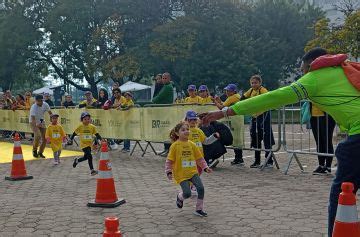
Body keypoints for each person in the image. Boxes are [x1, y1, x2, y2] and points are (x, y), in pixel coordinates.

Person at [201, 48, 360, 237]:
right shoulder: (348, 68)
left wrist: (224, 112)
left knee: (341, 194)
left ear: (310, 65)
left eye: (302, 70)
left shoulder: (315, 77)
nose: (302, 74)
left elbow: (272, 98)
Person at [165, 121, 212, 217]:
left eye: (187, 129)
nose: (186, 131)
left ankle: (199, 209)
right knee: (187, 193)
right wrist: (168, 171)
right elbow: (169, 160)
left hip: (193, 172)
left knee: (201, 188)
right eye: (183, 130)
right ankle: (180, 197)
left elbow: (199, 158)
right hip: (181, 174)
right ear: (177, 133)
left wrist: (205, 167)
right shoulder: (175, 146)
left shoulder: (192, 144)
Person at [242, 75, 275, 168]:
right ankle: (257, 161)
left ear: (260, 83)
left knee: (266, 138)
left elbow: (269, 97)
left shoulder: (262, 90)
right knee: (256, 139)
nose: (253, 84)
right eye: (252, 83)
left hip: (264, 115)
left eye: (255, 83)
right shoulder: (251, 90)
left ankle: (269, 161)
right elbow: (243, 98)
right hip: (254, 117)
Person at [213, 84, 244, 166]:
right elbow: (226, 105)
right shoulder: (236, 96)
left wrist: (215, 102)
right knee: (236, 139)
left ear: (234, 91)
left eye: (229, 90)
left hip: (235, 120)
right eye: (226, 90)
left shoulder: (233, 97)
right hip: (237, 119)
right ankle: (238, 158)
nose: (227, 92)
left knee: (236, 139)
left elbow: (222, 108)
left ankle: (239, 159)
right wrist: (219, 101)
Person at [68, 112, 102, 176]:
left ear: (90, 119)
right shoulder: (80, 126)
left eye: (88, 119)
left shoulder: (92, 127)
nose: (87, 120)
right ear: (82, 120)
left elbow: (96, 134)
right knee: (89, 156)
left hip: (89, 144)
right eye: (85, 119)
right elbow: (74, 133)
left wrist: (101, 139)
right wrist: (71, 139)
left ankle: (77, 161)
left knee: (86, 157)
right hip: (83, 144)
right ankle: (92, 170)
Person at [310, 104, 336, 175]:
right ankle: (321, 165)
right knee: (318, 142)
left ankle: (328, 166)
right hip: (314, 116)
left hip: (326, 116)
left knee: (327, 141)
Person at [152, 72, 174, 156]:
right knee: (165, 131)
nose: (163, 80)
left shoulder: (167, 87)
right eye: (163, 78)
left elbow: (156, 99)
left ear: (169, 79)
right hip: (163, 112)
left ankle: (168, 150)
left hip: (166, 112)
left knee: (167, 131)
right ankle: (166, 149)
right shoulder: (165, 86)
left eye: (165, 78)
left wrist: (154, 100)